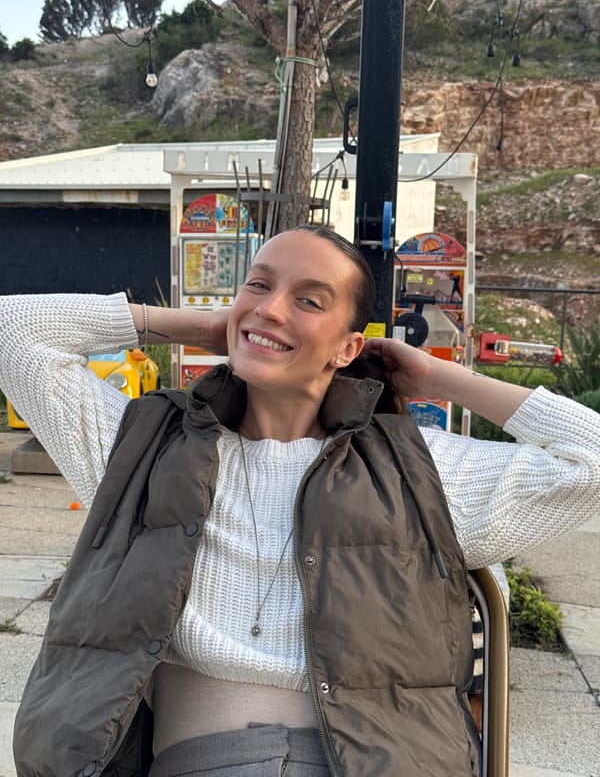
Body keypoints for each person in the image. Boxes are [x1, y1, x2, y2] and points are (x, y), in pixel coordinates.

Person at [2, 226, 599, 777]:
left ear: (347, 348)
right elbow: (14, 332)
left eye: (309, 301)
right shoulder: (141, 446)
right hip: (202, 759)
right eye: (258, 285)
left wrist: (441, 377)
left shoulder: (420, 468)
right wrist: (211, 325)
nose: (272, 306)